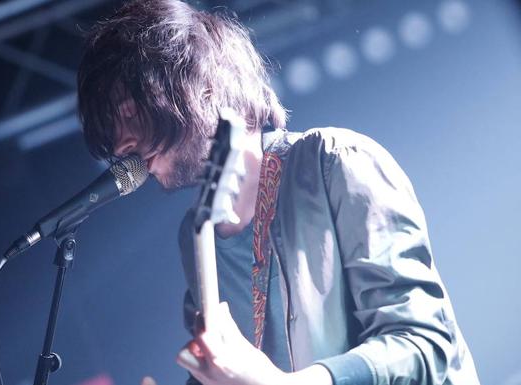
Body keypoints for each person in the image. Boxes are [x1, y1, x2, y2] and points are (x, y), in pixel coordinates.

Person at [77, 0, 481, 384]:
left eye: (129, 111)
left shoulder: (335, 162)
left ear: (201, 90)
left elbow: (425, 346)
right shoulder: (195, 237)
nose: (120, 144)